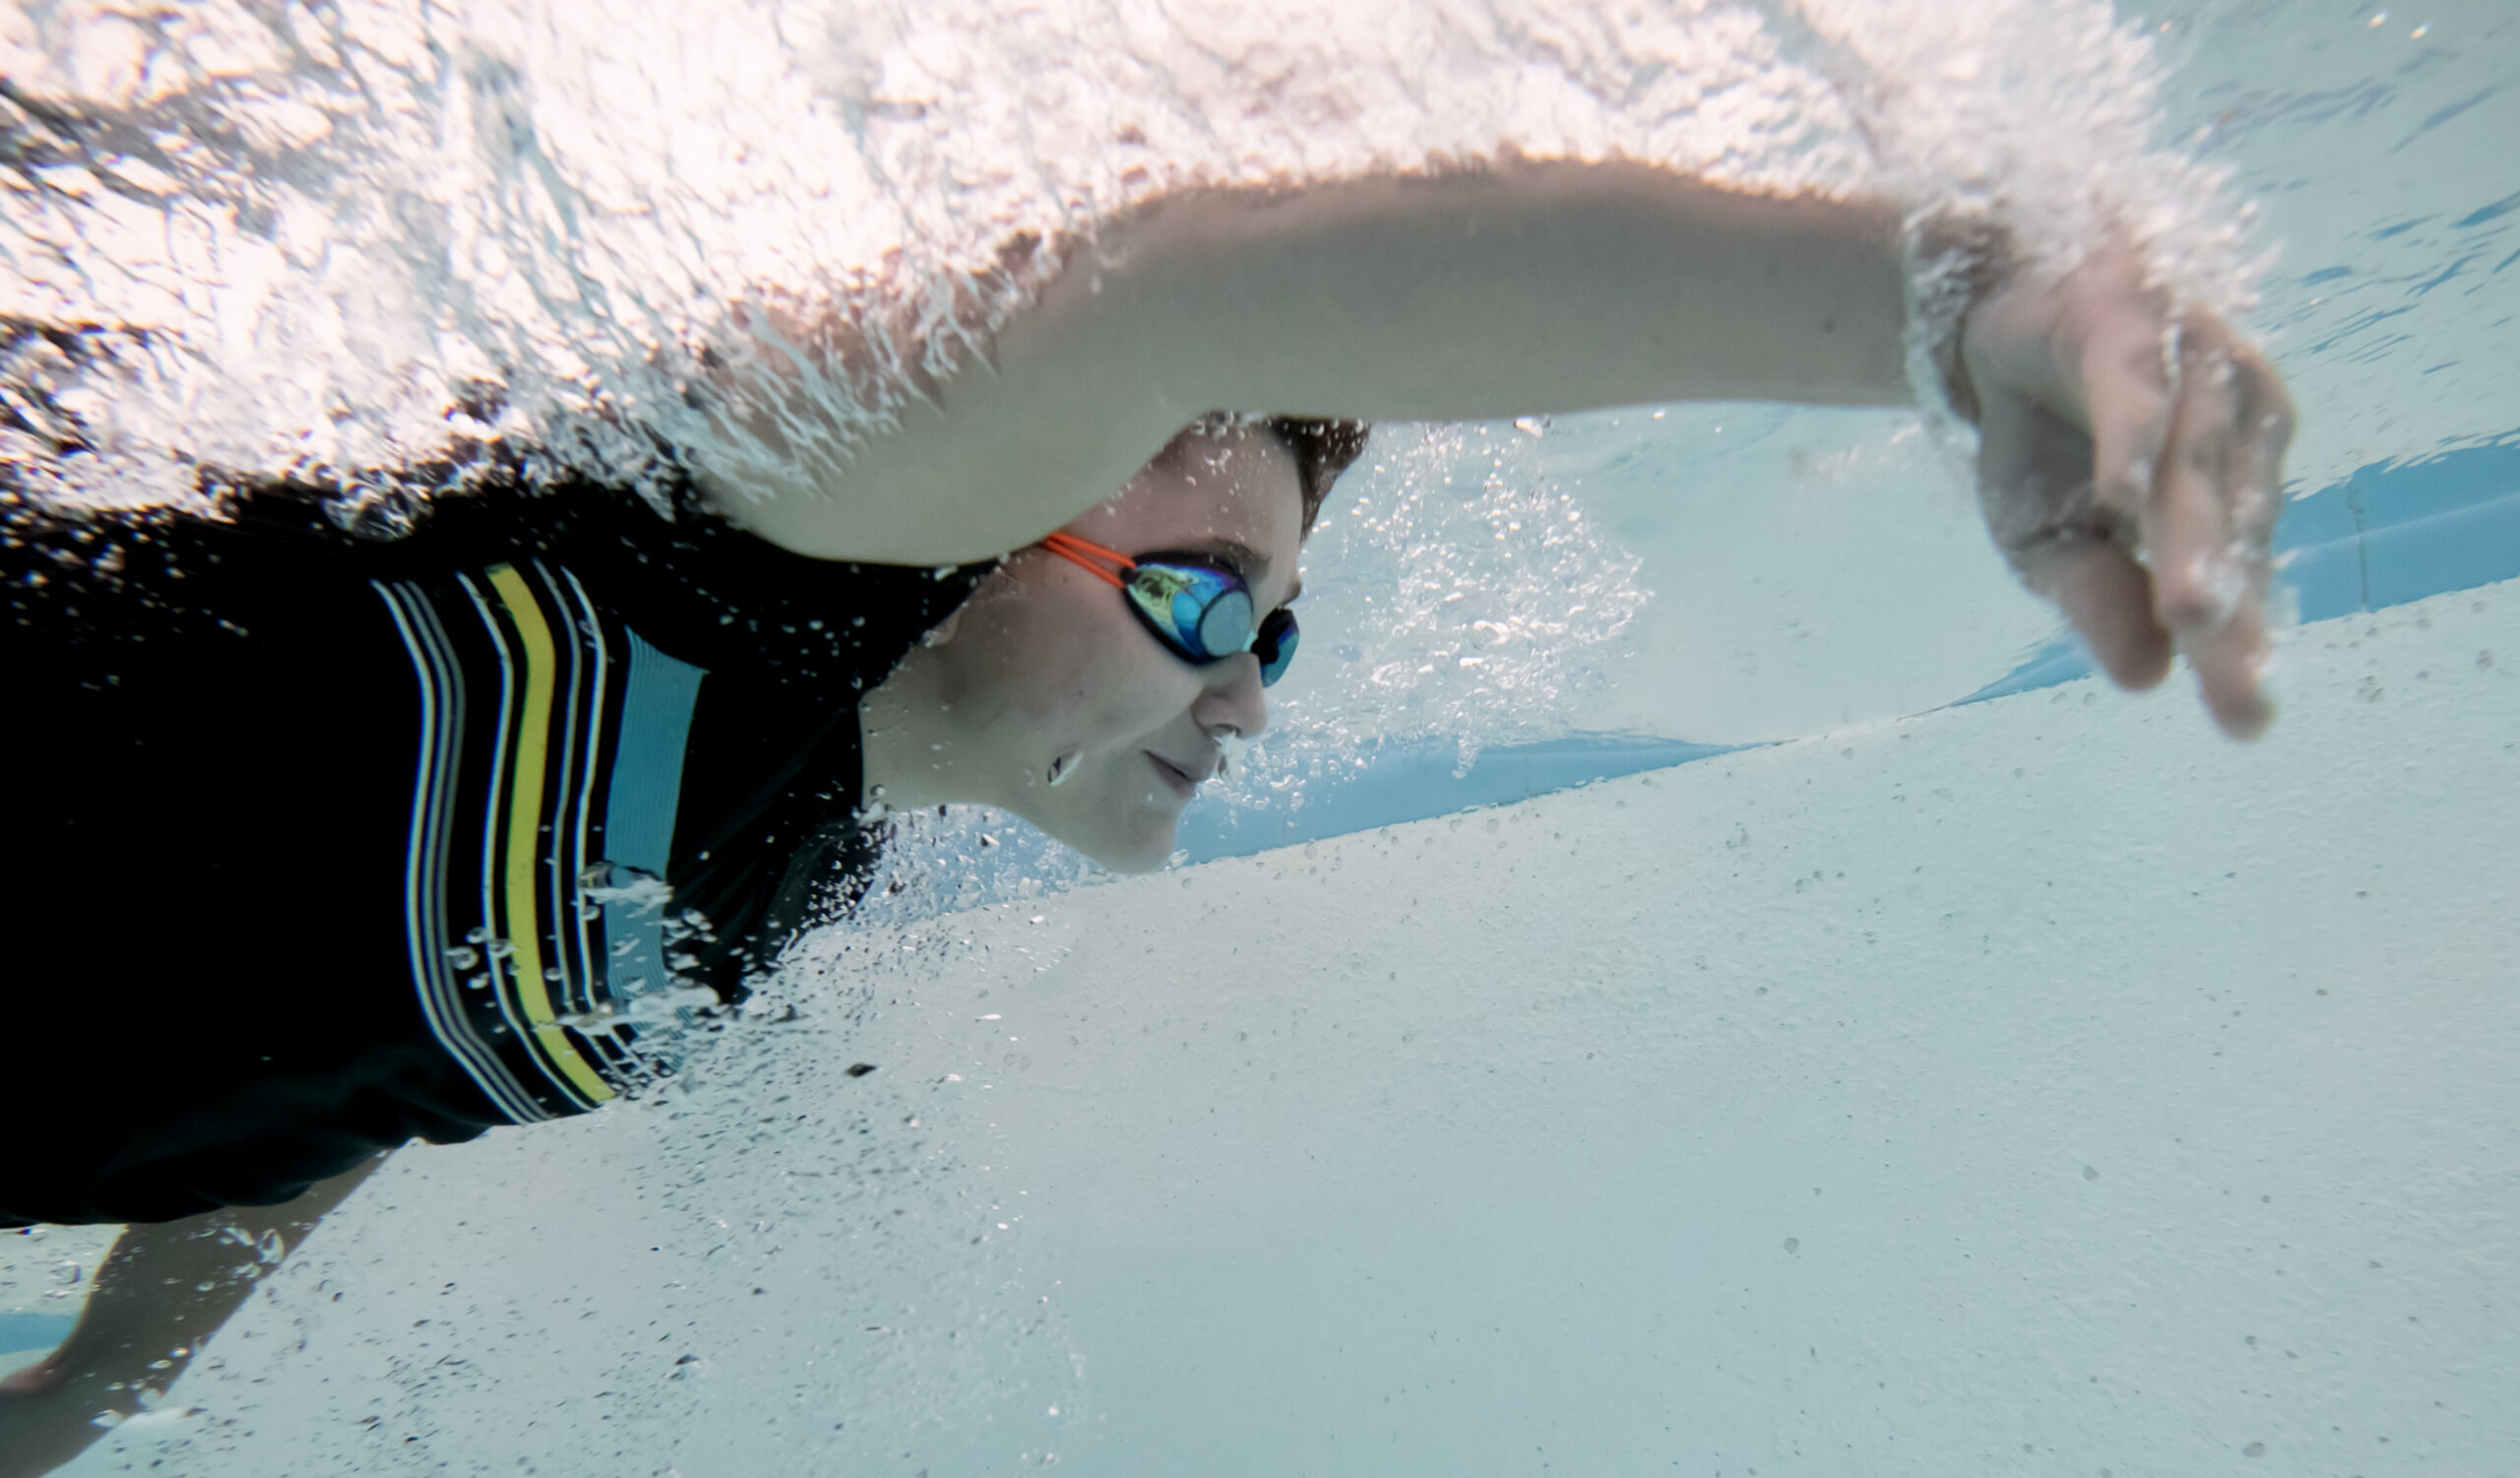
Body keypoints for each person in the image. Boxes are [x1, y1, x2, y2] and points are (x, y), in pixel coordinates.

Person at [0, 156, 2292, 1472]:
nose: (1246, 694)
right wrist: (1955, 306)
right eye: (1211, 595)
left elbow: (349, 1083)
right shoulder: (738, 567)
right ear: (974, 514)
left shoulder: (766, 889)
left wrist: (97, 1383)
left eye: (1275, 636)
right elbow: (1182, 283)